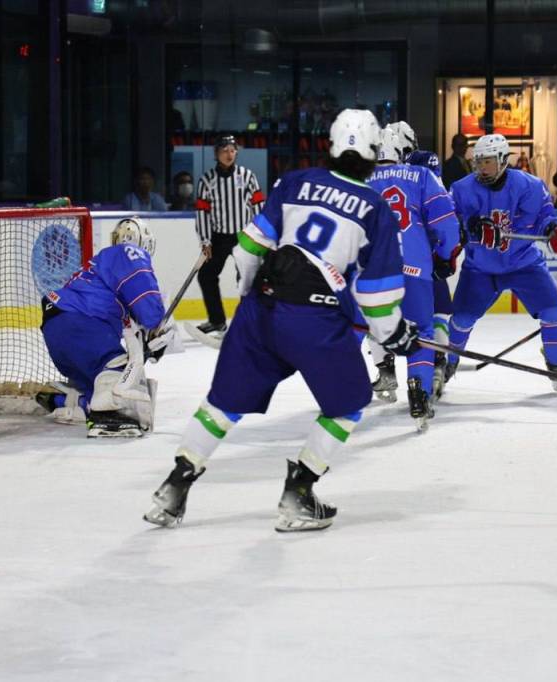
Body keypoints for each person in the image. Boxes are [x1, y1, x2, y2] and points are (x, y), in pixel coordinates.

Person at [143, 108, 415, 533]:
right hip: (316, 319)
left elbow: (247, 249)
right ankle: (298, 495)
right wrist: (394, 334)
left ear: (330, 144)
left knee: (223, 403)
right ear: (373, 152)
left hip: (262, 310)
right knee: (347, 406)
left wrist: (251, 301)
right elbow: (377, 295)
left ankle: (174, 487)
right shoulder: (375, 208)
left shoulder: (294, 182)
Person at [445, 133, 557, 395]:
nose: (481, 167)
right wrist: (471, 227)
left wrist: (554, 228)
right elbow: (450, 221)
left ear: (502, 159)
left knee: (553, 312)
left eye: (487, 161)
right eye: (478, 162)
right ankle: (446, 364)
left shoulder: (530, 185)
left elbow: (545, 215)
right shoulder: (461, 188)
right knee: (461, 319)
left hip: (523, 264)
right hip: (480, 268)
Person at [38, 216, 175, 437]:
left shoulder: (102, 266)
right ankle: (106, 415)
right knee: (119, 371)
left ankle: (68, 400)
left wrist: (147, 342)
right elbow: (149, 309)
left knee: (98, 380)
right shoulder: (129, 253)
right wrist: (159, 324)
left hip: (58, 327)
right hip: (80, 323)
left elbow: (133, 324)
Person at [366, 126, 458, 429]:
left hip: (372, 273)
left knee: (359, 327)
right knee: (423, 331)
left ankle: (346, 386)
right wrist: (445, 255)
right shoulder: (421, 175)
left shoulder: (357, 180)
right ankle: (419, 391)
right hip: (415, 268)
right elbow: (446, 222)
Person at [193, 134, 266, 338]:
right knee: (206, 275)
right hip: (219, 237)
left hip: (244, 237)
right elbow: (202, 213)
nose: (229, 154)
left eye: (232, 150)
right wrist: (205, 240)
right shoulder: (207, 180)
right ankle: (217, 321)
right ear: (216, 153)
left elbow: (258, 206)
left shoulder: (247, 176)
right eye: (224, 150)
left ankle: (247, 322)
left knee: (247, 279)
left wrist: (260, 235)